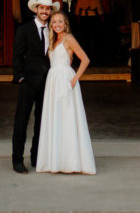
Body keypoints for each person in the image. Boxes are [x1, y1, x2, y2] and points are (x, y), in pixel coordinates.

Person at [35, 10, 96, 174]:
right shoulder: (52, 39)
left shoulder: (69, 38)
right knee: (55, 118)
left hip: (65, 80)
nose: (56, 24)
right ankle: (55, 160)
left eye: (60, 21)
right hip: (53, 80)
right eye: (54, 22)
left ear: (65, 23)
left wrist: (75, 78)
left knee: (68, 118)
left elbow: (85, 59)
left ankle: (71, 161)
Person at [11, 0, 57, 173]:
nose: (45, 11)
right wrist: (20, 76)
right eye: (42, 8)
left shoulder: (53, 30)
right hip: (28, 82)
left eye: (47, 9)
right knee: (21, 120)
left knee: (41, 121)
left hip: (47, 83)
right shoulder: (24, 29)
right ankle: (17, 159)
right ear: (36, 9)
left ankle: (36, 157)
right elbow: (17, 55)